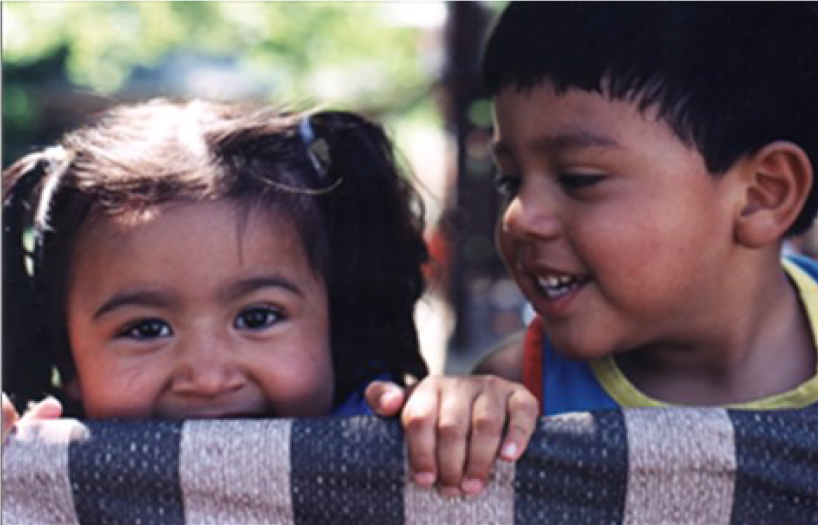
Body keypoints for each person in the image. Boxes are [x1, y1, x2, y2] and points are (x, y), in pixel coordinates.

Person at [2, 99, 538, 497]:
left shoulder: (392, 441)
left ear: (334, 325)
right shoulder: (39, 465)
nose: (209, 378)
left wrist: (462, 412)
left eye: (258, 317)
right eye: (145, 328)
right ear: (67, 355)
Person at [469, 0, 818, 414]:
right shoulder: (515, 404)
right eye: (510, 181)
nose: (517, 217)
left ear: (763, 195)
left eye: (578, 179)